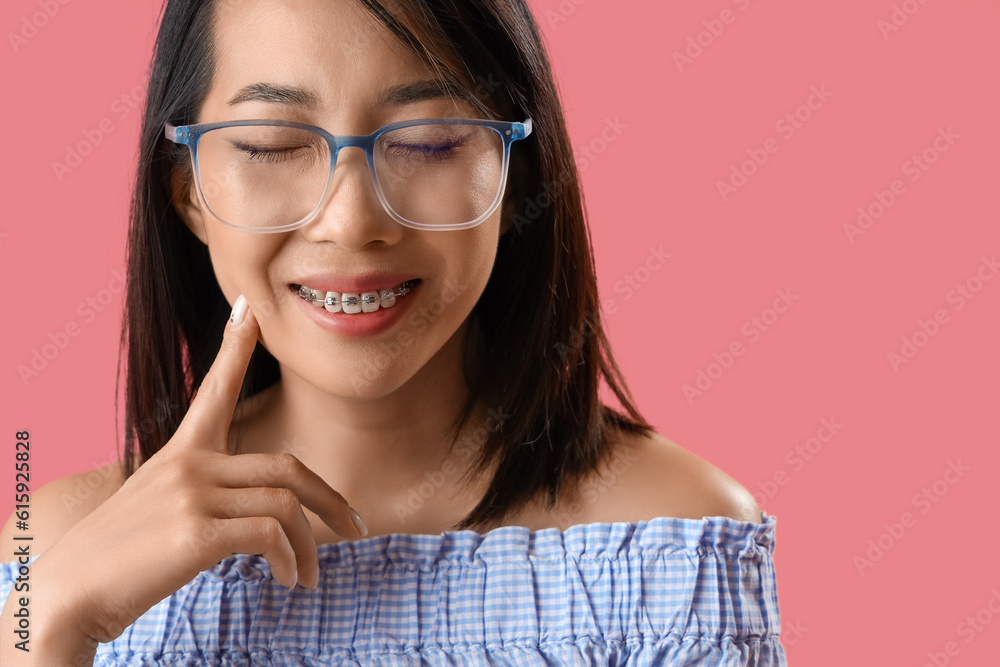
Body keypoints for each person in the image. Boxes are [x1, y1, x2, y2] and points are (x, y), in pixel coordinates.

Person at [0, 0, 788, 664]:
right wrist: (56, 627)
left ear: (514, 173)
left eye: (429, 141)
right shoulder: (56, 549)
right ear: (189, 192)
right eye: (273, 145)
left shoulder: (673, 543)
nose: (351, 222)